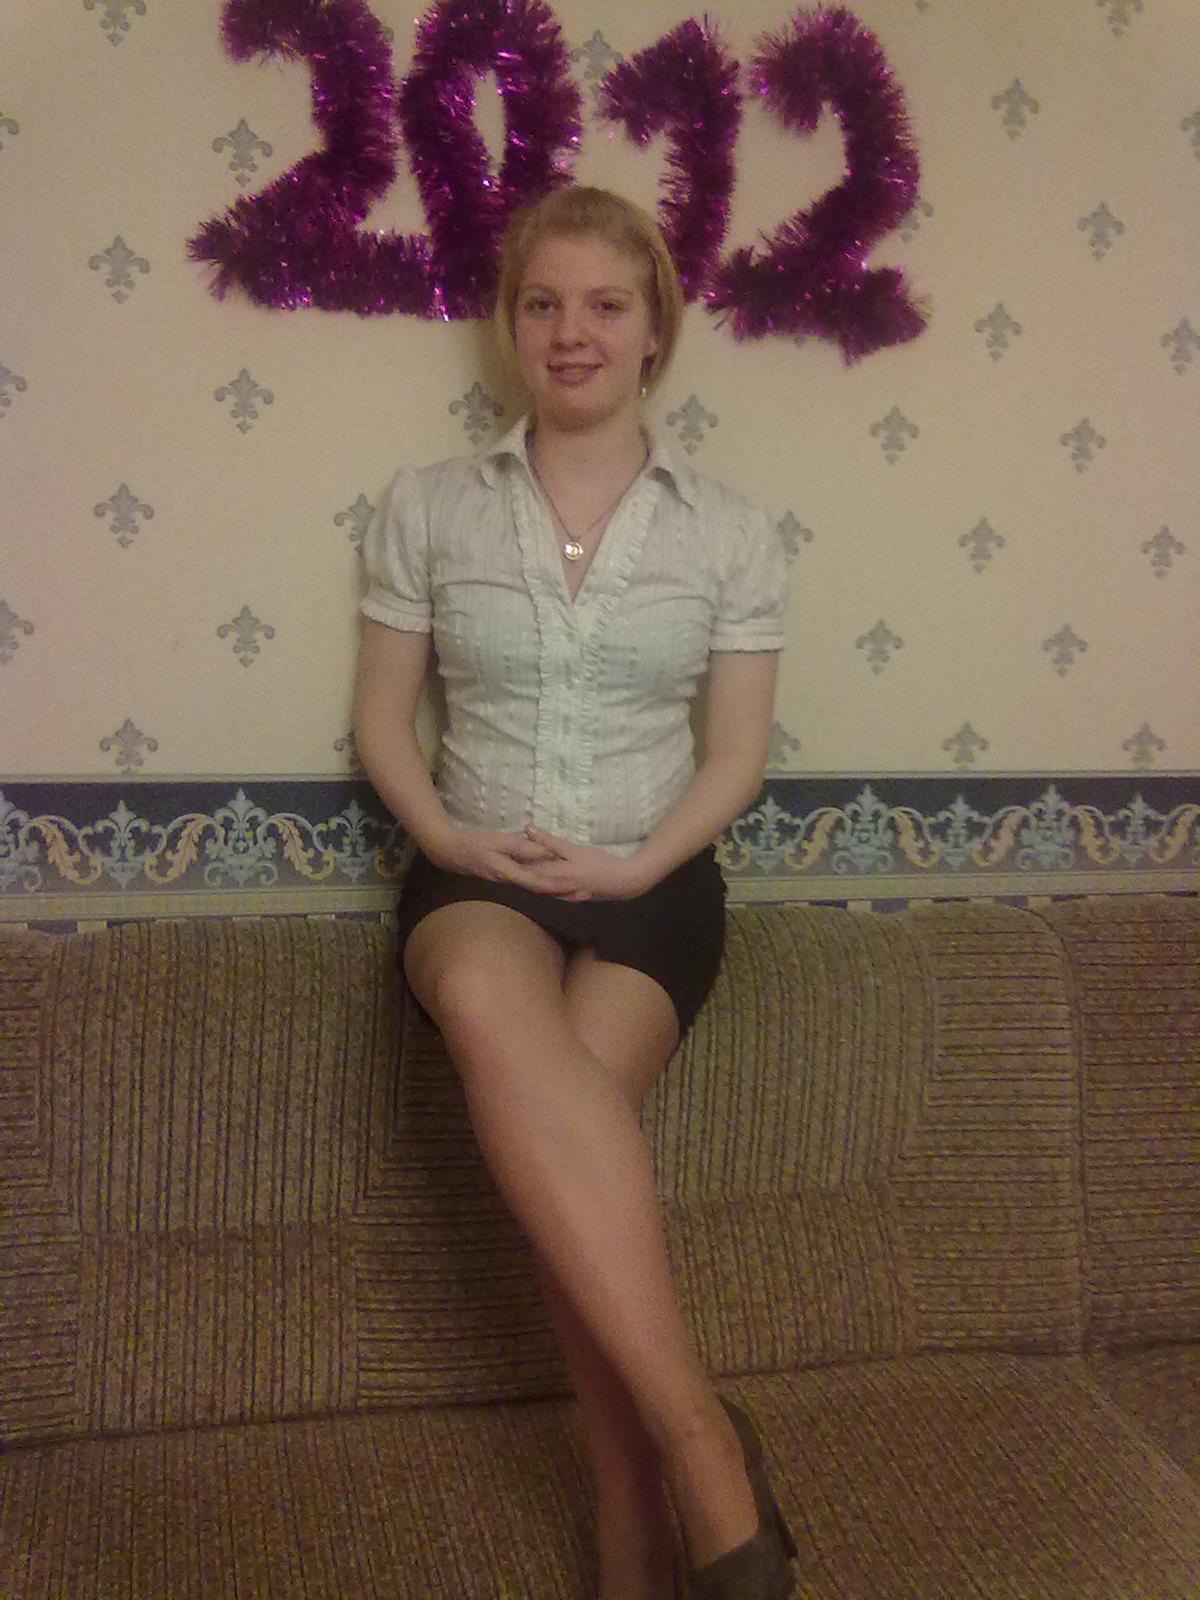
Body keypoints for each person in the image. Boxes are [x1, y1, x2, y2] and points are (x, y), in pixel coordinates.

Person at [353, 184, 794, 1600]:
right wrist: (449, 835)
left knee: (561, 1151)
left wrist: (640, 863)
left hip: (652, 884)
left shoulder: (731, 529)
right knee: (497, 1013)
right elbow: (380, 719)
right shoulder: (428, 506)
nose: (571, 331)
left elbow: (736, 756)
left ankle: (627, 1521)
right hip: (475, 874)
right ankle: (703, 1452)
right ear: (508, 323)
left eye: (606, 304)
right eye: (542, 303)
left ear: (655, 330)